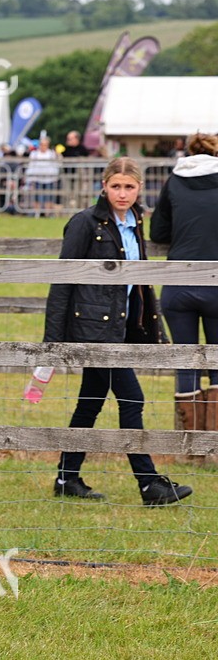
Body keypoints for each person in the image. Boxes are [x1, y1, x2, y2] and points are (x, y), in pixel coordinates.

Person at [44, 157, 192, 506]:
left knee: (90, 403)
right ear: (104, 186)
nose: (122, 194)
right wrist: (52, 342)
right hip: (94, 329)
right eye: (116, 186)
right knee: (132, 398)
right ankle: (149, 484)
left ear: (139, 188)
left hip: (123, 327)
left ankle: (67, 477)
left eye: (129, 187)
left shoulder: (136, 221)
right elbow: (63, 281)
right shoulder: (85, 223)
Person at [150, 132, 218, 432]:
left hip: (178, 283)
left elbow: (158, 233)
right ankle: (214, 442)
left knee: (185, 360)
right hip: (215, 282)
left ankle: (188, 443)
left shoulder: (174, 180)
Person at [24, 135, 60, 215]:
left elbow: (55, 166)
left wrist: (54, 177)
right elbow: (31, 166)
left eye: (45, 145)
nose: (43, 146)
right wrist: (30, 177)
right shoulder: (34, 154)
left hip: (49, 179)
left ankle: (47, 213)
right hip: (37, 179)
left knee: (48, 197)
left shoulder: (51, 154)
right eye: (42, 144)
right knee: (36, 197)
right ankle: (37, 213)